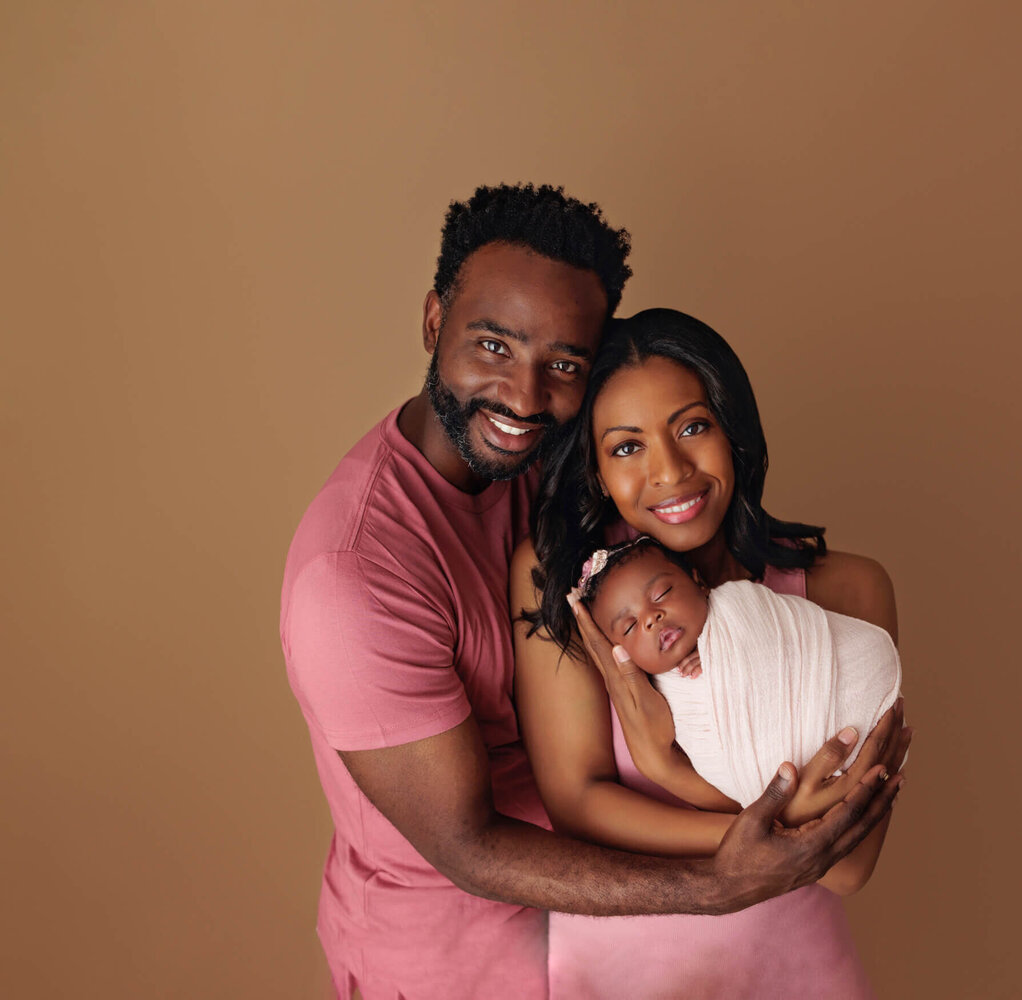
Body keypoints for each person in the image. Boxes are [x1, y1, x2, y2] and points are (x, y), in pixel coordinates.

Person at [281, 187, 902, 1000]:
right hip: (449, 953)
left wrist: (676, 778)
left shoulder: (562, 486)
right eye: (493, 345)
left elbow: (847, 859)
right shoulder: (356, 579)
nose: (525, 395)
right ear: (435, 322)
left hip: (655, 930)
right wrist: (728, 869)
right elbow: (471, 845)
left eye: (563, 365)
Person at [512, 307, 912, 998]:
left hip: (793, 970)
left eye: (692, 427)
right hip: (618, 976)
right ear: (597, 468)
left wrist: (672, 772)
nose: (669, 472)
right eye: (627, 446)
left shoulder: (845, 588)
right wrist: (774, 833)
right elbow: (577, 803)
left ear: (735, 431)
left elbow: (848, 868)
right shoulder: (569, 584)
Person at [574, 535, 901, 820]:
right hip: (799, 796)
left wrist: (726, 647)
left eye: (661, 594)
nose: (651, 619)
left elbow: (764, 641)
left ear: (698, 582)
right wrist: (661, 766)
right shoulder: (658, 696)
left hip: (858, 699)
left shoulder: (737, 604)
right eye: (630, 627)